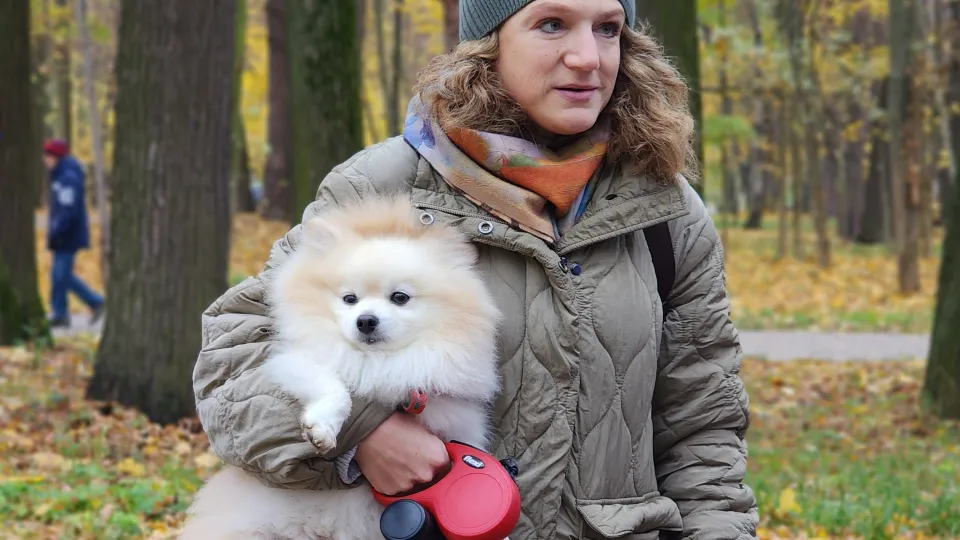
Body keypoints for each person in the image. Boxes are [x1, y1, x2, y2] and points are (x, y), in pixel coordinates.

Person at [193, 0, 759, 537]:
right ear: (489, 41)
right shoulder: (387, 184)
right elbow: (231, 360)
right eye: (552, 24)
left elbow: (702, 425)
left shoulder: (665, 209)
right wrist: (360, 434)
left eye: (608, 28)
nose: (589, 56)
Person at [42, 138, 104, 328]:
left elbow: (68, 208)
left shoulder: (67, 177)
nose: (45, 160)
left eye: (48, 156)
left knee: (61, 275)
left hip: (67, 234)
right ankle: (62, 312)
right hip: (63, 233)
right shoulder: (60, 174)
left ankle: (92, 302)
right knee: (60, 275)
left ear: (56, 157)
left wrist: (57, 229)